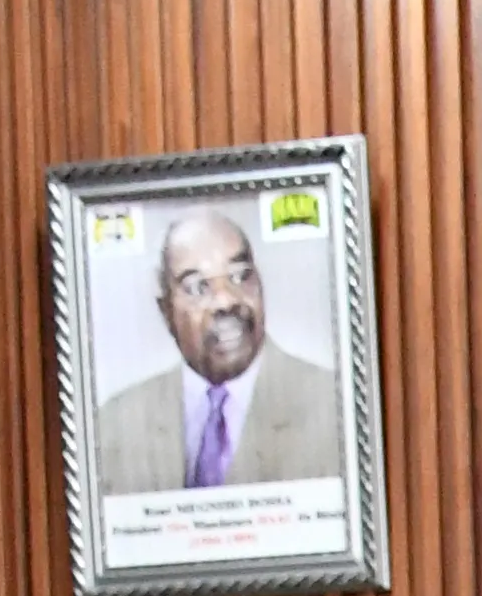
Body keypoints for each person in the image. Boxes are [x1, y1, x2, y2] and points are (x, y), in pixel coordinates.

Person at [94, 204, 347, 495]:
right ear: (166, 310)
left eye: (240, 276)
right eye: (198, 286)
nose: (226, 301)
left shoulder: (333, 405)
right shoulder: (115, 424)